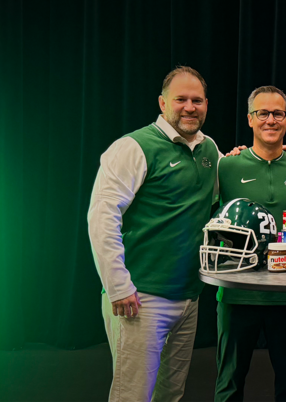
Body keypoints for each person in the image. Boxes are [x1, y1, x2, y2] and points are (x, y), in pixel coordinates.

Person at [88, 66, 223, 402]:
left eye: (197, 100)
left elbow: (234, 183)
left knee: (171, 395)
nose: (189, 107)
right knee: (132, 396)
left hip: (188, 297)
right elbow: (102, 217)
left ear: (206, 104)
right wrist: (118, 286)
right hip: (139, 298)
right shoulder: (133, 147)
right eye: (181, 100)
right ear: (163, 103)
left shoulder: (209, 151)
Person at [213, 86, 286, 402]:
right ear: (250, 119)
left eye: (277, 113)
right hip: (236, 291)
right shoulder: (226, 166)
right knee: (229, 384)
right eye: (262, 113)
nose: (270, 120)